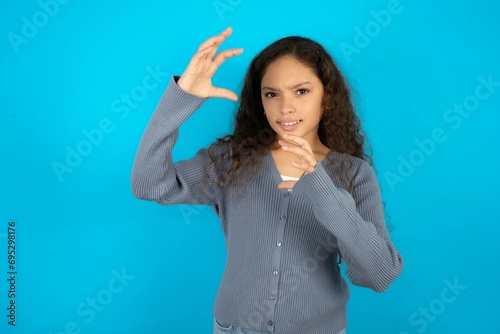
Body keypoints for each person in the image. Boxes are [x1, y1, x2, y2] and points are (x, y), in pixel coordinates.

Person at [131, 26, 403, 334]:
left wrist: (322, 188)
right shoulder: (231, 159)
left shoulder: (354, 174)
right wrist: (182, 98)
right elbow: (149, 184)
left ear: (327, 96)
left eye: (302, 91)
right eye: (272, 94)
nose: (285, 107)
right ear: (261, 101)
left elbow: (378, 275)